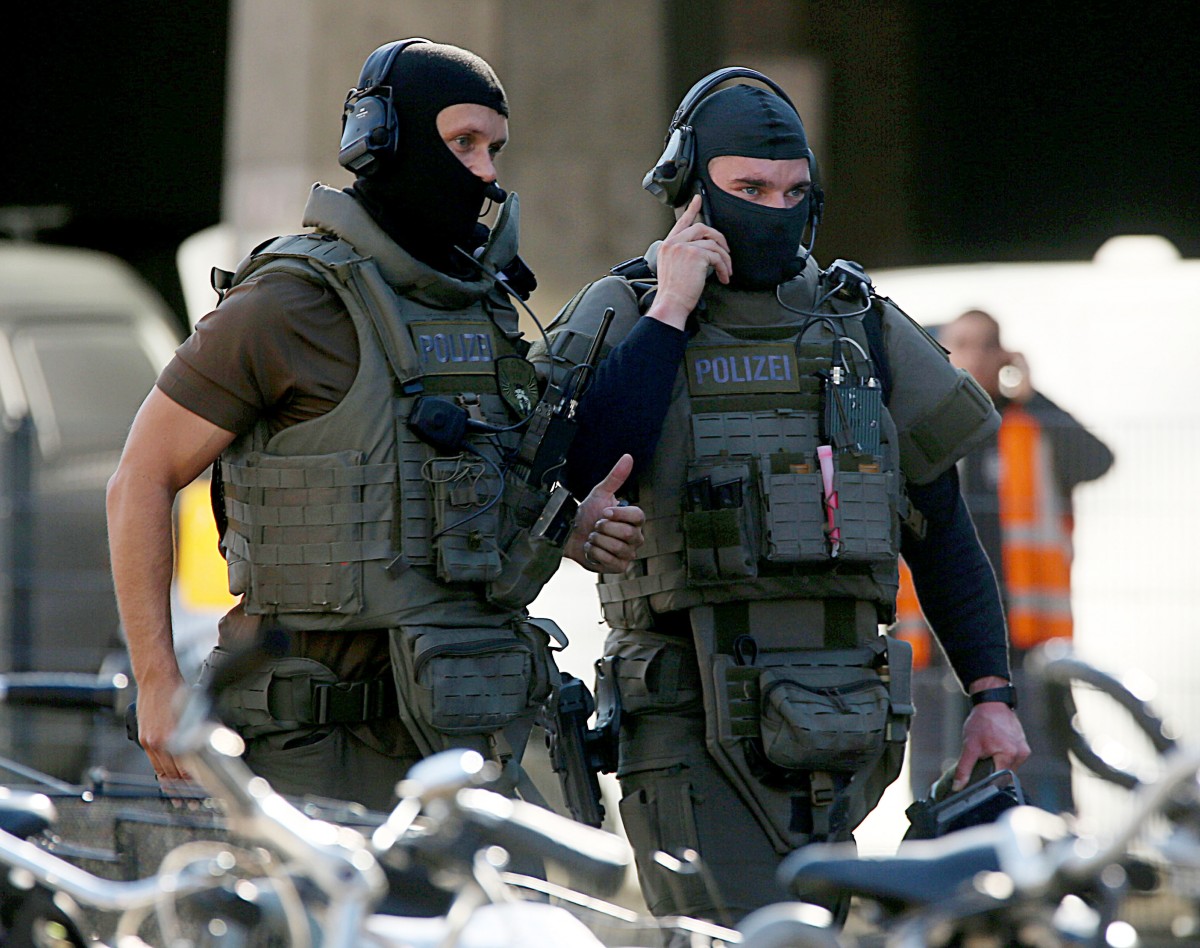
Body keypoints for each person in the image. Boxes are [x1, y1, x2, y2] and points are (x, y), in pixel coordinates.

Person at [531, 68, 1029, 923]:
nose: (775, 207)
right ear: (691, 190)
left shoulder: (858, 320)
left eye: (794, 190)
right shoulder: (627, 308)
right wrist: (673, 310)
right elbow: (578, 465)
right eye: (749, 189)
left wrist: (991, 697)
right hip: (690, 716)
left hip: (847, 720)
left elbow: (941, 528)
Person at [106, 38, 645, 812]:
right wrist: (157, 685)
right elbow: (139, 479)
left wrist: (572, 525)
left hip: (466, 738)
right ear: (384, 141)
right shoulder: (288, 304)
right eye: (462, 143)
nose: (486, 171)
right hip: (313, 748)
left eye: (494, 148)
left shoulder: (485, 308)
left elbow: (483, 500)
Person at [897, 309, 1114, 813]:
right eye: (957, 345)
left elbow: (1097, 459)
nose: (968, 357)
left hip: (1022, 637)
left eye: (980, 345)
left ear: (1002, 357)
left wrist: (1033, 395)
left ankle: (1046, 862)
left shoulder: (1029, 427)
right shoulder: (923, 429)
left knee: (1036, 767)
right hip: (932, 637)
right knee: (937, 774)